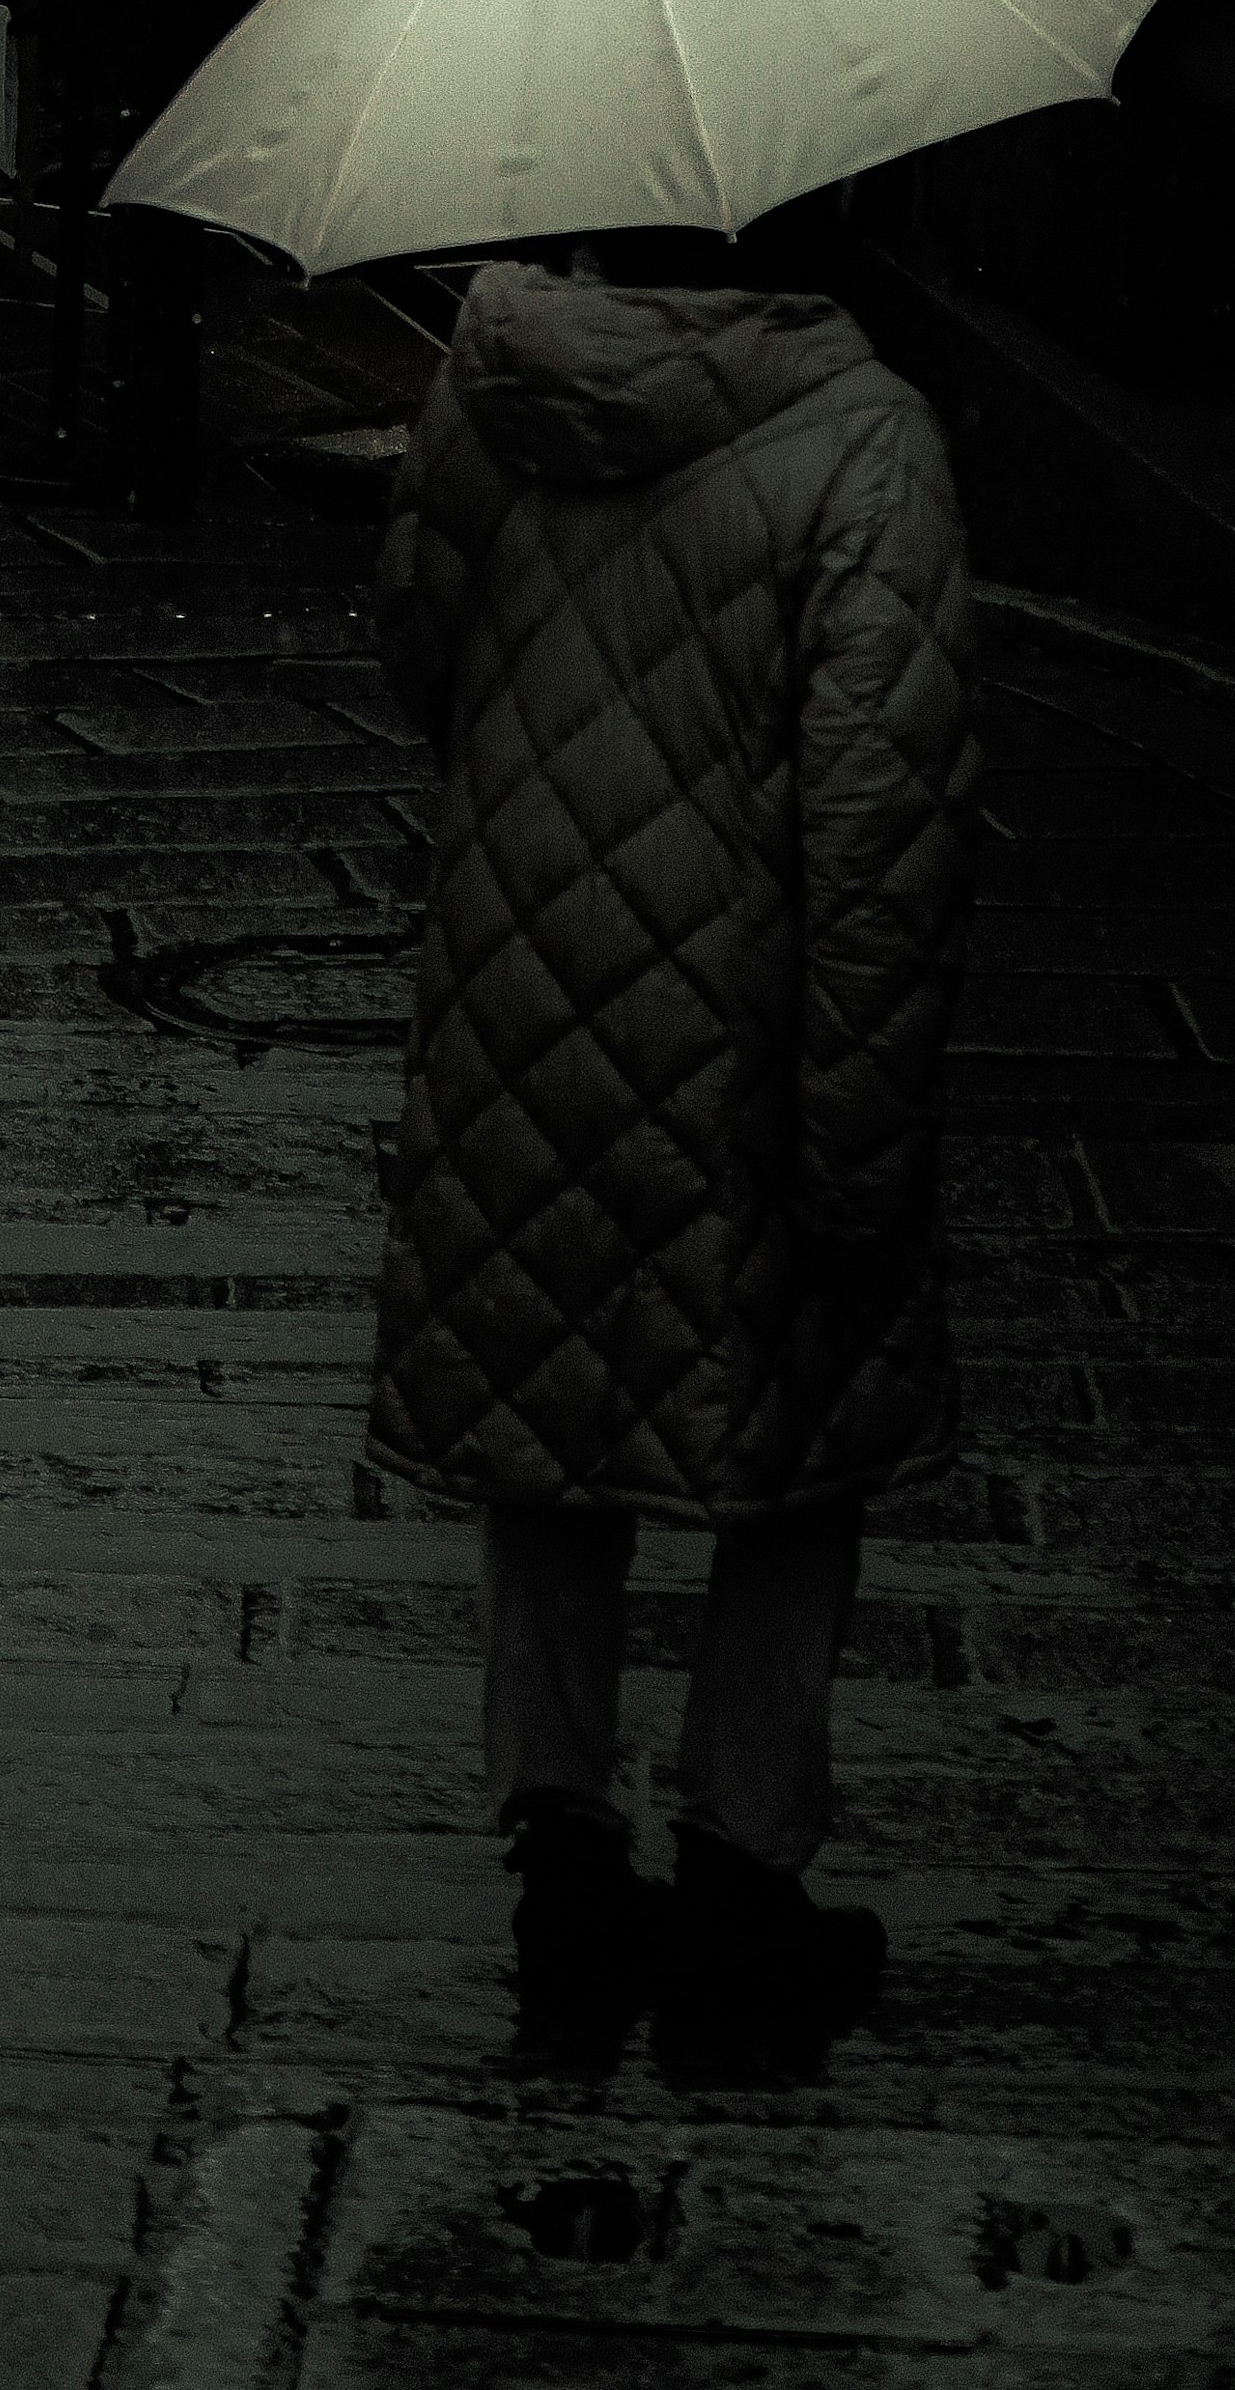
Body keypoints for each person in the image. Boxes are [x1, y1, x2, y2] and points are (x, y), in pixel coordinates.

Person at [365, 258, 977, 2049]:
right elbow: (889, 816)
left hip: (517, 963)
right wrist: (864, 1137)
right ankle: (741, 1878)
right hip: (747, 1022)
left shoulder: (491, 382)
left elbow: (424, 650)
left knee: (550, 1427)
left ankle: (563, 1862)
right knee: (791, 1461)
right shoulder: (867, 440)